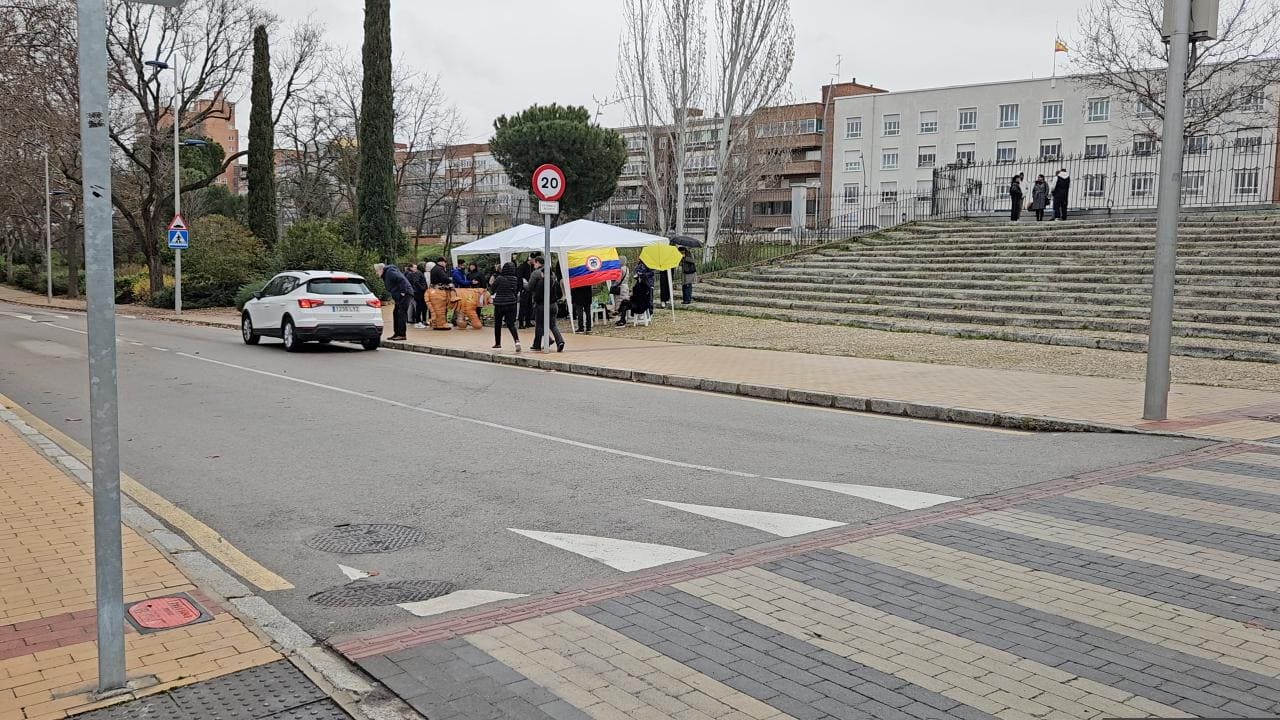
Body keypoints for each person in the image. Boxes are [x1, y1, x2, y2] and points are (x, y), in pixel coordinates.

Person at [527, 255, 565, 352]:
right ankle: (560, 341)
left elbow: (532, 291)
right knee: (553, 325)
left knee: (539, 324)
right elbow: (560, 293)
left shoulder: (538, 277)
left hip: (542, 306)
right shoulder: (554, 279)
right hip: (554, 305)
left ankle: (537, 344)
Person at [488, 262, 522, 351]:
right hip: (512, 303)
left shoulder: (499, 278)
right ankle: (517, 341)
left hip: (500, 304)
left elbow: (492, 289)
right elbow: (516, 290)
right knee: (511, 324)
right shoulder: (515, 279)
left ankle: (498, 343)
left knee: (498, 324)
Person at [374, 262, 412, 341]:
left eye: (377, 271)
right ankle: (397, 333)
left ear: (381, 269)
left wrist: (403, 292)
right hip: (400, 296)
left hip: (405, 294)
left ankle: (402, 334)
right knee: (396, 313)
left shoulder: (390, 272)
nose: (376, 273)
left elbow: (401, 279)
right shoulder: (387, 274)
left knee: (401, 313)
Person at [426, 256, 454, 330]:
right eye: (445, 263)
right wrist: (450, 281)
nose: (445, 264)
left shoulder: (434, 268)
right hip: (439, 291)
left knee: (435, 308)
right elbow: (444, 278)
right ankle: (441, 325)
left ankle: (434, 323)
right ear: (441, 262)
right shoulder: (439, 269)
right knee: (441, 308)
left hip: (433, 291)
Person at [517, 253, 538, 328]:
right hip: (524, 289)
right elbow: (519, 278)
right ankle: (521, 323)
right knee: (523, 306)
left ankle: (528, 322)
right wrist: (520, 289)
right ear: (530, 259)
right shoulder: (522, 267)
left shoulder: (532, 267)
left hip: (530, 289)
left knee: (529, 306)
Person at [407, 262, 428, 329]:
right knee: (419, 307)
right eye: (425, 266)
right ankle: (418, 322)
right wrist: (423, 288)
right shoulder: (418, 273)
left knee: (422, 307)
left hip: (419, 292)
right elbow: (416, 282)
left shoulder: (418, 273)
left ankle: (422, 321)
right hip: (419, 293)